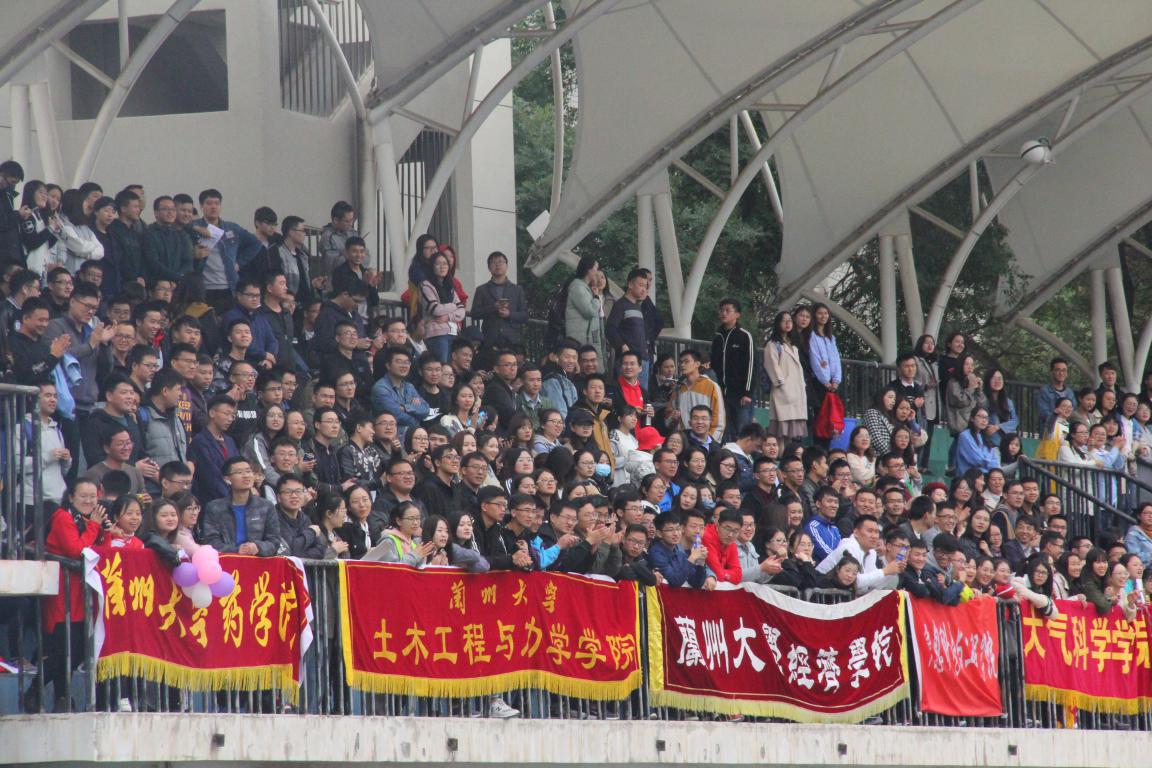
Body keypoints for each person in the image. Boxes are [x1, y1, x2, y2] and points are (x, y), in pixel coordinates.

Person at [201, 457, 284, 556]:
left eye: (248, 471)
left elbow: (274, 541)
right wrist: (236, 550)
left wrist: (257, 547)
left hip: (258, 561)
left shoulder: (266, 506)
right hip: (228, 560)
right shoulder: (214, 508)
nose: (246, 476)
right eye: (239, 472)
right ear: (227, 479)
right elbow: (210, 541)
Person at [816, 515, 904, 593]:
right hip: (819, 594)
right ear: (856, 532)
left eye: (876, 532)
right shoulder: (849, 547)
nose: (874, 536)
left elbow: (871, 585)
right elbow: (854, 581)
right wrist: (885, 571)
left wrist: (892, 572)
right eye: (870, 531)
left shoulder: (871, 552)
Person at [419, 251, 466, 362]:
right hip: (437, 334)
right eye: (438, 264)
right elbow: (435, 309)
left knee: (450, 368)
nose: (442, 267)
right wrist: (454, 305)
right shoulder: (426, 285)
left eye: (445, 263)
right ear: (432, 267)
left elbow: (462, 311)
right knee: (441, 365)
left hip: (453, 332)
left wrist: (449, 316)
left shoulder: (450, 287)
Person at [564, 256, 606, 365]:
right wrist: (596, 298)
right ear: (589, 270)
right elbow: (589, 312)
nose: (597, 272)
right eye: (596, 269)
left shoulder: (586, 288)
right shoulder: (578, 287)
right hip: (582, 340)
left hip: (588, 338)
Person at [954, 408, 1000, 477]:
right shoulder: (965, 435)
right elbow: (977, 460)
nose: (984, 420)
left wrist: (987, 462)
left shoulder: (985, 438)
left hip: (986, 475)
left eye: (986, 418)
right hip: (969, 478)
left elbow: (995, 462)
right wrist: (989, 462)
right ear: (972, 418)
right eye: (981, 417)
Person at [1037, 357, 1076, 433]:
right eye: (1058, 370)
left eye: (1064, 370)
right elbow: (1044, 413)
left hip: (1066, 431)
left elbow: (1073, 412)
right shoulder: (1044, 391)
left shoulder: (1069, 392)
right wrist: (1058, 418)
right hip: (1050, 432)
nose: (1061, 373)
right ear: (1052, 372)